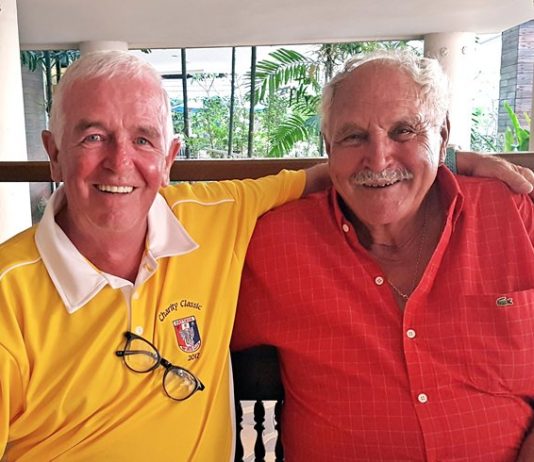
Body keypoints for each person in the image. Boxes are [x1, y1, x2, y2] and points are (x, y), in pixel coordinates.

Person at [0, 49, 530, 462]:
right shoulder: (10, 296)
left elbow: (361, 172)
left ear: (170, 158)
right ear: (53, 152)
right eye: (93, 137)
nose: (120, 163)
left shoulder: (517, 216)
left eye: (404, 131)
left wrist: (445, 162)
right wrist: (425, 157)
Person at [232, 50, 534, 461]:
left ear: (442, 136)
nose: (378, 160)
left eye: (403, 131)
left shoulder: (513, 214)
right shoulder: (275, 244)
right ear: (328, 147)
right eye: (353, 137)